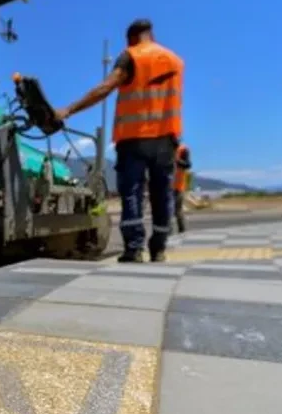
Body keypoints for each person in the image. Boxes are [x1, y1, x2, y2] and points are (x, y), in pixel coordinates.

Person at [54, 19, 184, 262]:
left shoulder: (131, 55)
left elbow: (106, 87)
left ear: (131, 38)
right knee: (161, 194)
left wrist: (68, 110)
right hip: (166, 139)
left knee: (132, 192)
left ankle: (134, 249)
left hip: (134, 138)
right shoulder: (175, 60)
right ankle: (159, 248)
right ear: (151, 35)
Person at [173, 143, 191, 233]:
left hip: (178, 186)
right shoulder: (162, 147)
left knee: (177, 211)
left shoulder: (183, 149)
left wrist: (176, 160)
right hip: (164, 186)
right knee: (165, 211)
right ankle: (166, 233)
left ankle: (182, 230)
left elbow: (187, 164)